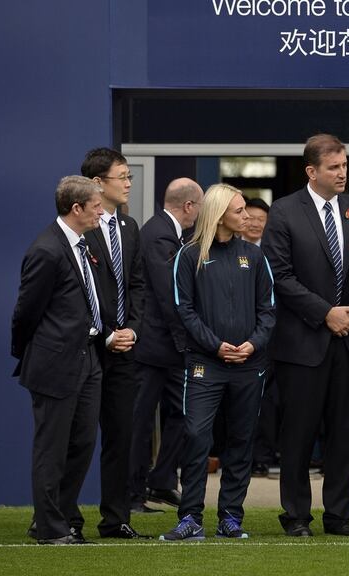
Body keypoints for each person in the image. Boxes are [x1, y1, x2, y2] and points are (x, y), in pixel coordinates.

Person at [262, 134, 349, 537]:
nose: (342, 173)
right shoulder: (284, 213)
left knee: (344, 436)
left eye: (345, 166)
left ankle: (339, 516)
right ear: (311, 171)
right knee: (298, 435)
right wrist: (325, 313)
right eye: (334, 167)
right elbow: (279, 276)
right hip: (303, 343)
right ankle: (296, 516)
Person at [161, 183, 275, 541]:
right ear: (219, 214)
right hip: (204, 364)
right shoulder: (190, 254)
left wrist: (252, 345)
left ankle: (230, 517)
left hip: (248, 363)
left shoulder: (255, 257)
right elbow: (184, 310)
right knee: (196, 436)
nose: (248, 217)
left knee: (240, 440)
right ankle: (190, 517)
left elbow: (268, 311)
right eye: (239, 211)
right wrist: (217, 346)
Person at [12, 176, 105, 544]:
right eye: (96, 205)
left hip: (89, 358)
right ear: (76, 208)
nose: (102, 211)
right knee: (51, 450)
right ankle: (51, 530)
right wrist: (36, 352)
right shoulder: (46, 250)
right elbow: (25, 313)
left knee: (81, 445)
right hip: (55, 362)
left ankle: (55, 517)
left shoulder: (83, 244)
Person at [79, 148, 149, 539]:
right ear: (96, 183)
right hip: (89, 349)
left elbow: (137, 286)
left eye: (128, 177)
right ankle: (61, 518)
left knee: (122, 437)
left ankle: (116, 519)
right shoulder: (78, 228)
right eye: (121, 177)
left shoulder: (130, 227)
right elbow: (78, 293)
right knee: (77, 438)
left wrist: (132, 330)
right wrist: (106, 332)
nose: (128, 183)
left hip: (126, 349)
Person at [129, 178, 203, 513]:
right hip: (154, 348)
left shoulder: (170, 233)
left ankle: (160, 481)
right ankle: (132, 493)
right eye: (199, 208)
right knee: (140, 420)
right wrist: (190, 339)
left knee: (185, 414)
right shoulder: (159, 233)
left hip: (169, 349)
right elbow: (168, 293)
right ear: (189, 206)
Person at [239, 196, 278, 477]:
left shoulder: (274, 252)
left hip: (272, 336)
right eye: (249, 217)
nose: (254, 223)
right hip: (238, 337)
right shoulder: (230, 249)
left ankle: (262, 456)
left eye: (260, 219)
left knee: (269, 400)